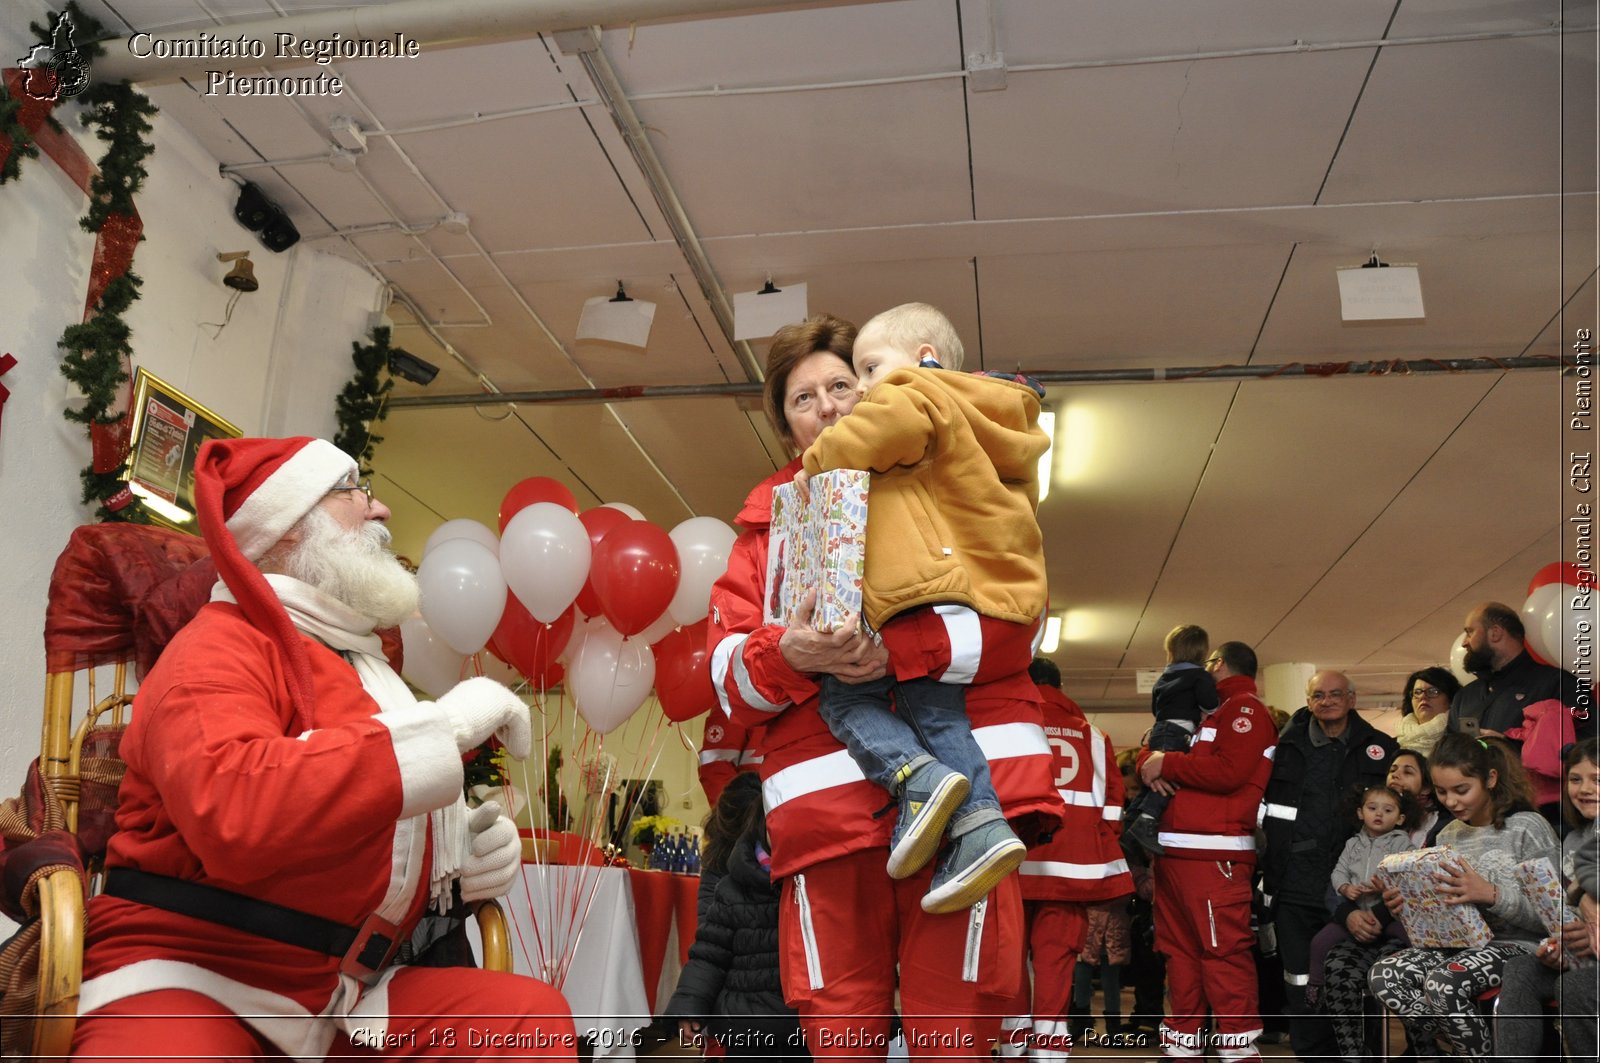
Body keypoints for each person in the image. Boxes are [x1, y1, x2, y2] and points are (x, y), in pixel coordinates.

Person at [70, 436, 575, 1059]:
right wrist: (441, 730)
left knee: (530, 1019)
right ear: (285, 530)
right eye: (353, 490)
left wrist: (452, 868)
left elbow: (350, 814)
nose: (380, 508)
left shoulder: (353, 660)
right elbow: (237, 808)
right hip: (193, 970)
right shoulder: (219, 646)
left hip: (340, 990)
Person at [707, 314, 1063, 1060]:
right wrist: (793, 653)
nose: (830, 406)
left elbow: (1017, 625)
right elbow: (729, 685)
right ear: (785, 428)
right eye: (804, 399)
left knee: (953, 1036)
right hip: (824, 819)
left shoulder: (954, 476)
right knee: (839, 1034)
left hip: (965, 814)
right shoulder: (761, 533)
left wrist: (896, 651)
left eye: (842, 383)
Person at [796, 302, 1049, 913]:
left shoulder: (918, 391)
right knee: (938, 713)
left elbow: (880, 432)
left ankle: (916, 778)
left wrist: (815, 464)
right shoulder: (994, 417)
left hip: (933, 590)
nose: (861, 389)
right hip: (986, 593)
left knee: (845, 696)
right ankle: (981, 828)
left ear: (926, 359)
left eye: (868, 369)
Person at [1367, 733, 1559, 1057]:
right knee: (1384, 975)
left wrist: (1491, 894)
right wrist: (1408, 907)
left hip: (1523, 948)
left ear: (1490, 779)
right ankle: (1469, 1044)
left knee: (1443, 983)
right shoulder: (1447, 834)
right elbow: (1444, 917)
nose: (1451, 802)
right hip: (1461, 947)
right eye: (1441, 792)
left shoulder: (1527, 827)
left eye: (1461, 790)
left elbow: (1556, 916)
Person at [1138, 640, 1275, 1061]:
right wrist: (1152, 762)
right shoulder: (1204, 711)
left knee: (1223, 956)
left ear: (1216, 664)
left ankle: (1238, 1052)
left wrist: (1167, 765)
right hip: (1176, 855)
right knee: (1179, 956)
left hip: (1215, 856)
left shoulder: (1245, 709)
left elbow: (1230, 772)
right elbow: (1156, 750)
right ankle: (1183, 1048)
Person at [1258, 668, 1397, 1061]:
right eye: (1318, 695)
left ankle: (1359, 1054)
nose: (1327, 701)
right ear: (1308, 702)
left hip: (1359, 891)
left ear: (1352, 699)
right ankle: (1311, 1054)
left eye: (1336, 694)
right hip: (1296, 886)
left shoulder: (1382, 748)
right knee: (1300, 981)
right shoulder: (1282, 750)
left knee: (1356, 980)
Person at [999, 657, 1132, 1060]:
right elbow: (1113, 806)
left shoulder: (1009, 727)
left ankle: (1013, 1044)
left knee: (1010, 959)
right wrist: (1094, 844)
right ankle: (1050, 1049)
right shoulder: (1094, 735)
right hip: (1075, 869)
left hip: (1014, 862)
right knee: (1056, 960)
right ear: (1062, 687)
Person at [666, 773, 809, 1063]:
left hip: (805, 1026)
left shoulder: (814, 883)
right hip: (747, 1025)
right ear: (759, 826)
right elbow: (709, 954)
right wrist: (690, 1005)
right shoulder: (730, 888)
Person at [1319, 748, 1449, 1062]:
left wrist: (1377, 913)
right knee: (1337, 966)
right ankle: (1354, 1053)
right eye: (1393, 769)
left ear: (1428, 786)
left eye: (1408, 771)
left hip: (1411, 930)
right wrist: (1349, 914)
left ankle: (1425, 1053)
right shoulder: (1361, 831)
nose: (1396, 775)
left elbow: (1424, 888)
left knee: (1399, 974)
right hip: (1361, 922)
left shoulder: (1442, 827)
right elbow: (1336, 880)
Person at [1496, 737, 1599, 1061]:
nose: (1584, 788)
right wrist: (1561, 943)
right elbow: (1572, 913)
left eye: (1598, 779)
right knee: (1521, 970)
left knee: (1576, 987)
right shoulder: (1573, 839)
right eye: (1575, 779)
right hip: (1588, 957)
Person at [1303, 785, 1414, 1007]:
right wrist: (1344, 888)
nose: (1379, 814)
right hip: (1356, 911)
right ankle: (1315, 986)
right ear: (1360, 813)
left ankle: (1418, 988)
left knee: (1410, 937)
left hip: (1389, 913)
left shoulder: (1402, 842)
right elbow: (1338, 871)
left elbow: (1409, 874)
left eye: (1388, 810)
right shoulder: (1352, 843)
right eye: (1372, 808)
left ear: (1400, 819)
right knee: (1319, 942)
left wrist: (1385, 886)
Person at [1122, 624, 1218, 859]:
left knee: (1151, 783)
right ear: (1201, 653)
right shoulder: (1199, 676)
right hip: (1178, 731)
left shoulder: (1164, 677)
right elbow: (1210, 705)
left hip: (1159, 730)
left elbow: (1156, 708)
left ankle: (1129, 826)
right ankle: (1147, 821)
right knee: (1168, 779)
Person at [1449, 601, 1591, 741]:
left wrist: (1510, 748)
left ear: (1495, 633)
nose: (1464, 643)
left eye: (1470, 632)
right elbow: (1446, 754)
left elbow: (1588, 745)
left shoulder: (1558, 684)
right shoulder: (1464, 697)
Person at [700, 709, 765, 806]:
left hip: (786, 811)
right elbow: (716, 769)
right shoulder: (733, 702)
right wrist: (740, 816)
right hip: (758, 813)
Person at [1395, 666, 1460, 757]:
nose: (1422, 697)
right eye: (1417, 692)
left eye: (1433, 691)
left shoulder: (1460, 743)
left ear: (1451, 699)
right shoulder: (1394, 745)